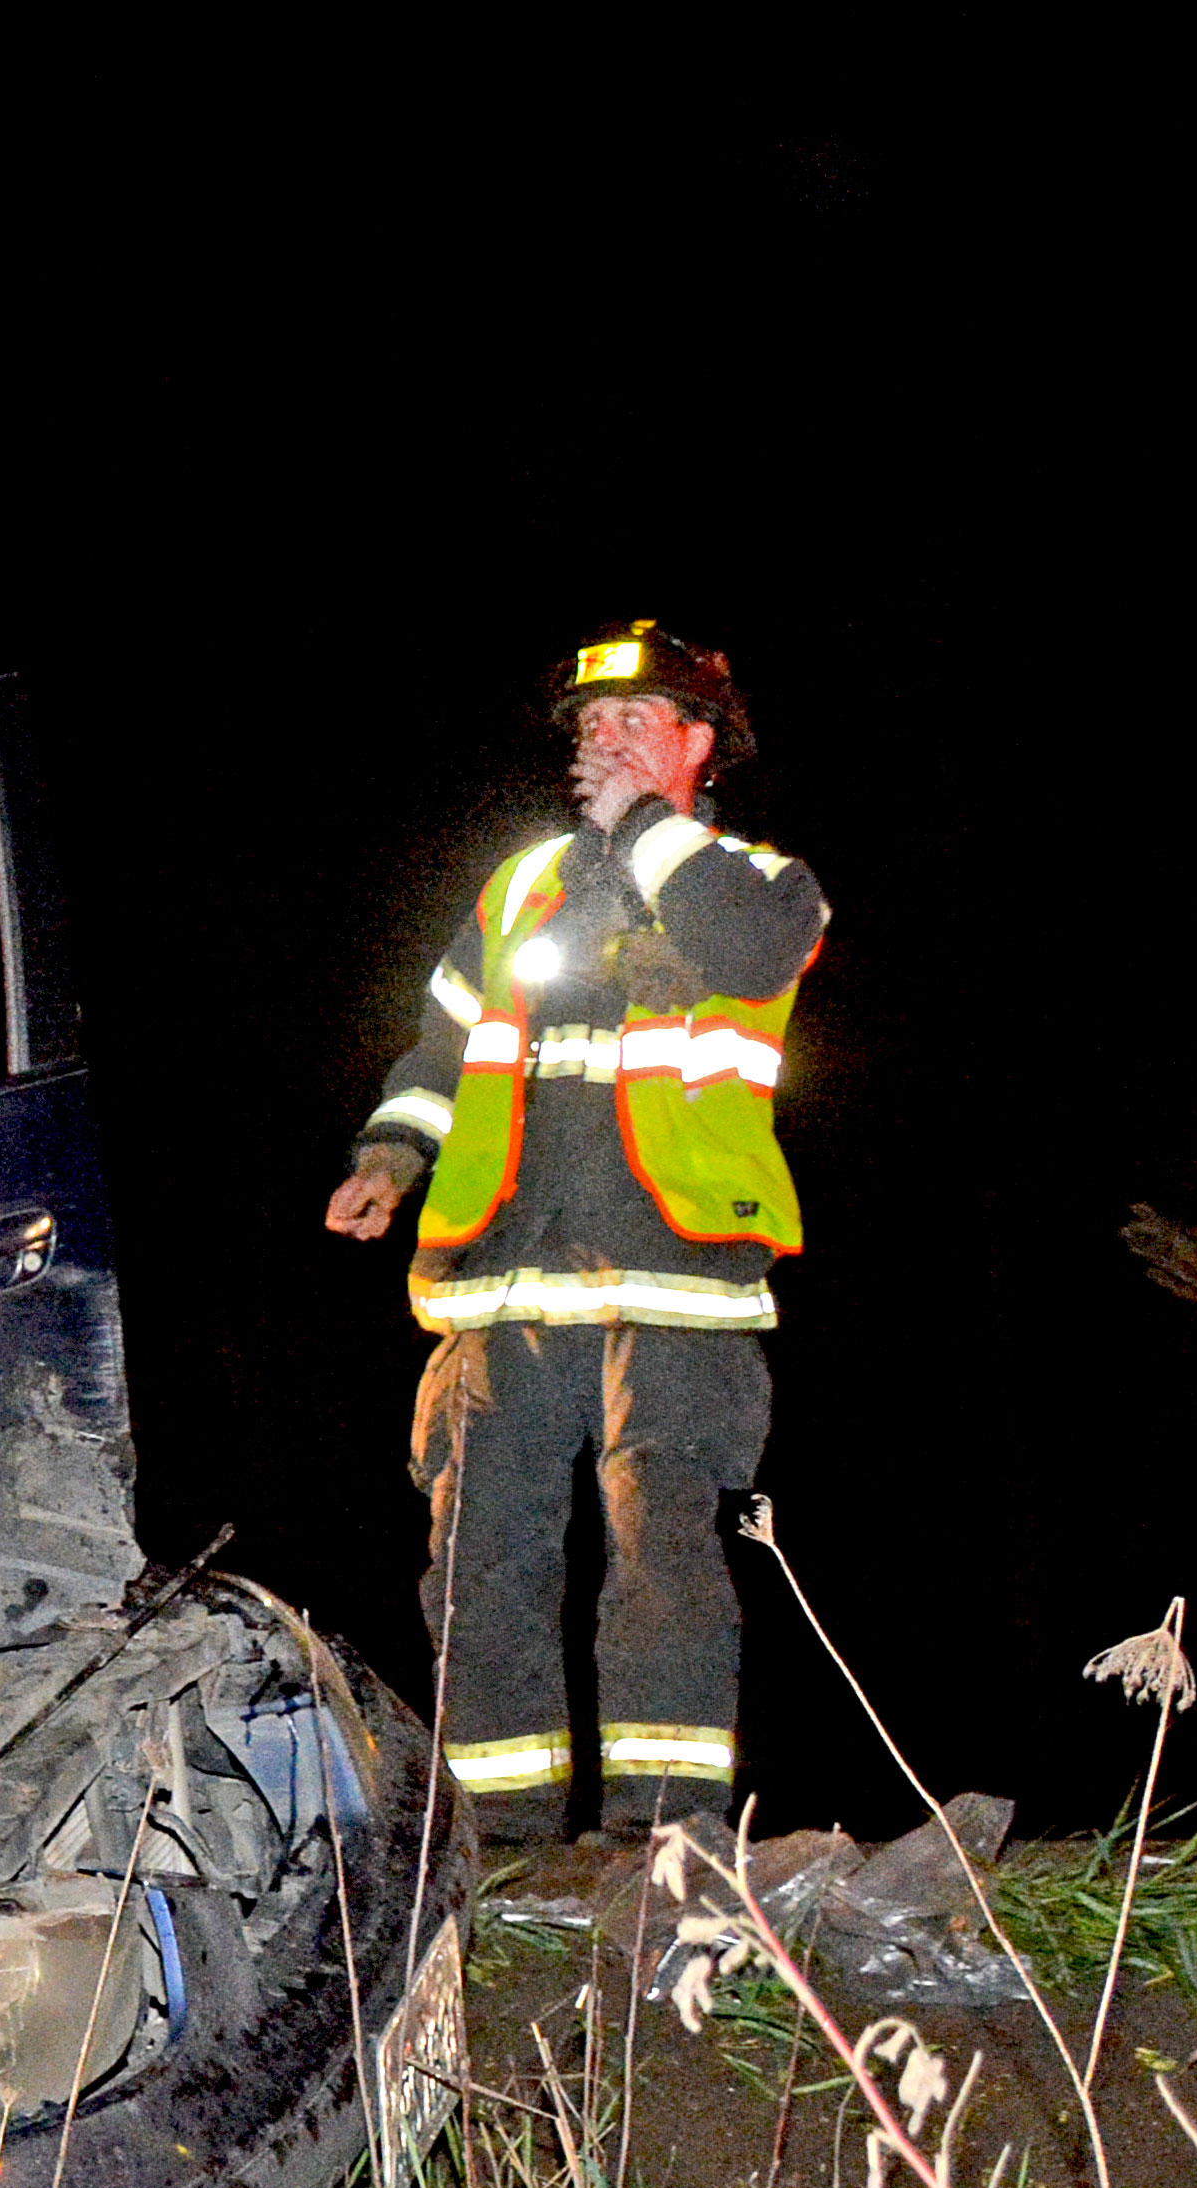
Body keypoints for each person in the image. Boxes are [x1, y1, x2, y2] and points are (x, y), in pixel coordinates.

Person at [326, 626, 825, 1846]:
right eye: (589, 727)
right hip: (496, 1284)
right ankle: (502, 1851)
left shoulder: (755, 881)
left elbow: (750, 952)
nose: (600, 742)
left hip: (672, 1283)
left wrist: (650, 826)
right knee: (479, 1572)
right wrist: (391, 1158)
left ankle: (666, 1844)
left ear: (702, 746)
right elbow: (444, 1050)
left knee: (661, 1565)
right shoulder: (518, 888)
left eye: (634, 722)